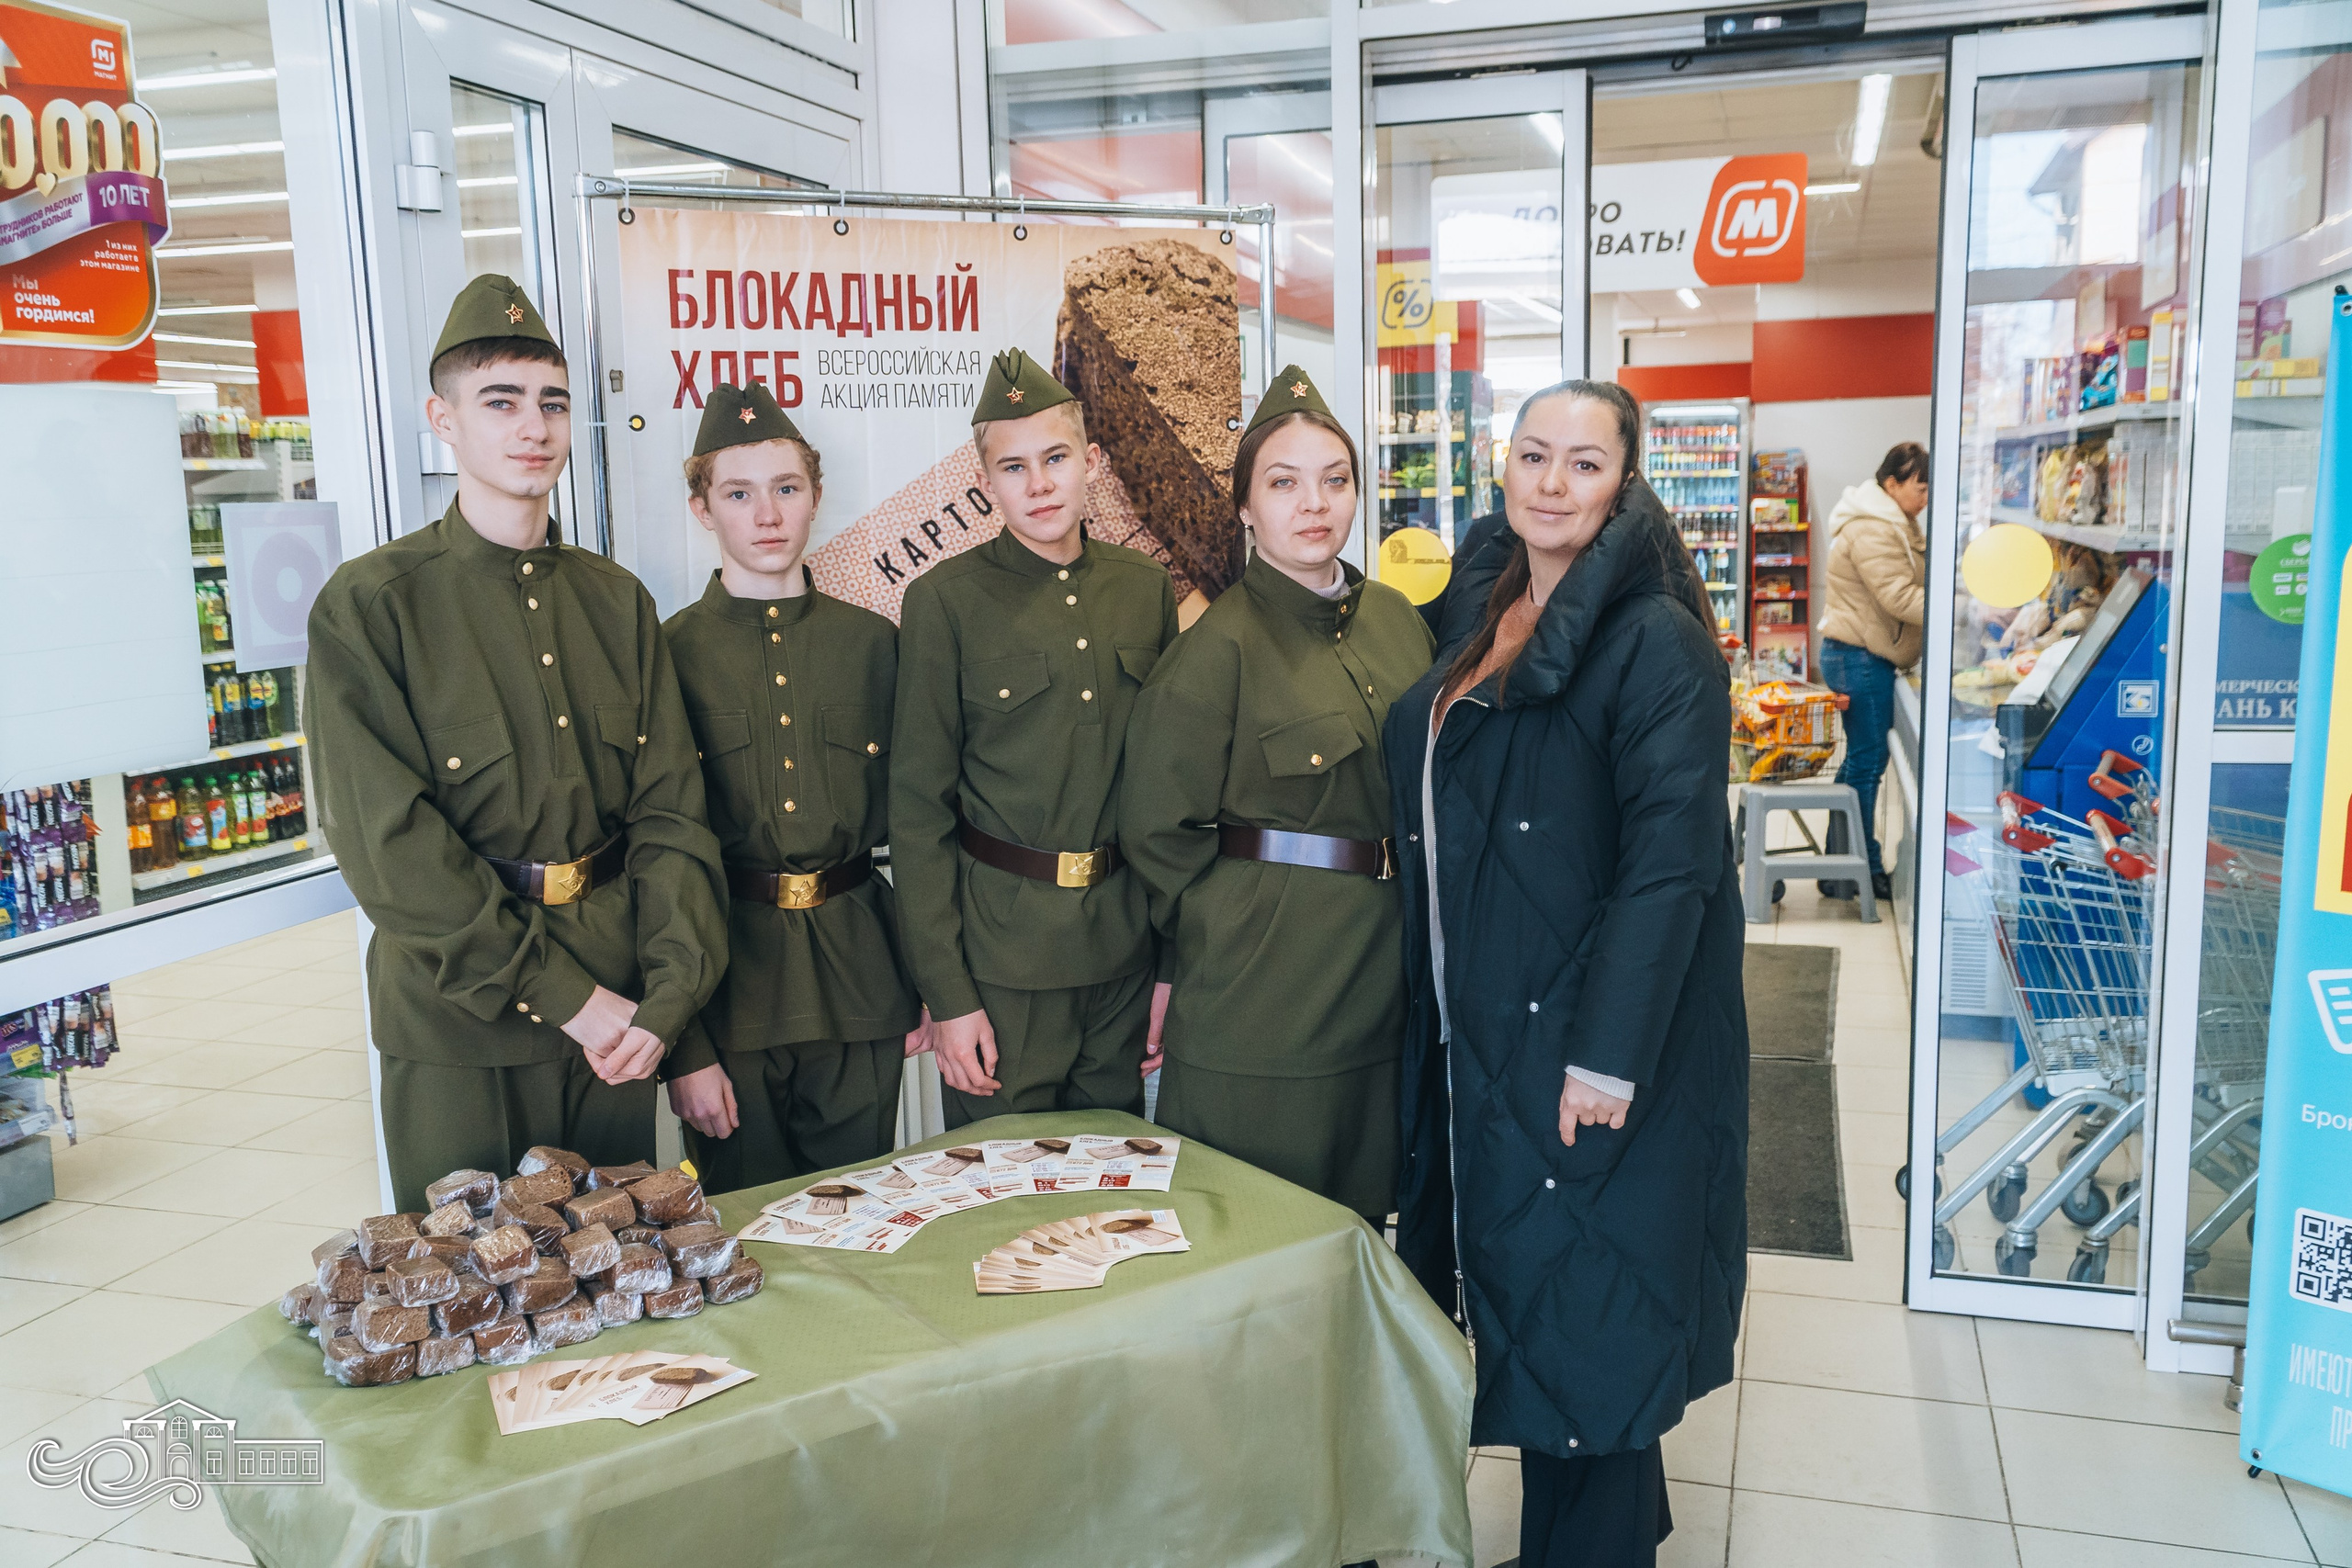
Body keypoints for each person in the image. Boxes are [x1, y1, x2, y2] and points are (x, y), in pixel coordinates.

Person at [1385, 379, 1747, 1568]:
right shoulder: (1489, 605)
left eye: (1584, 463)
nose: (1552, 482)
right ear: (1502, 466)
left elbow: (1671, 870)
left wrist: (1606, 1058)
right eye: (1533, 455)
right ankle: (1604, 1533)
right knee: (1560, 1300)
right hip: (1494, 1021)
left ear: (1625, 482)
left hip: (1582, 1038)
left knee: (1584, 1311)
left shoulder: (1656, 643)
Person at [308, 275, 728, 1212]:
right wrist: (567, 996)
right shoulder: (373, 606)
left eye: (553, 403)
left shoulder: (616, 602)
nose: (534, 427)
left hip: (617, 1026)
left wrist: (667, 999)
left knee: (615, 1268)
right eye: (500, 401)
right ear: (443, 419)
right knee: (467, 1280)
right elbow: (390, 846)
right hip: (460, 1025)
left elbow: (671, 818)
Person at [1121, 367, 1434, 1220]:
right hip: (1267, 996)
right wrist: (1240, 927)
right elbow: (1156, 832)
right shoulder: (1214, 652)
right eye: (1285, 483)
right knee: (1260, 1224)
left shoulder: (1398, 623)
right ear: (1246, 507)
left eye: (1336, 480)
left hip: (1388, 979)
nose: (1315, 504)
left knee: (1366, 1218)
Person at [891, 348, 1180, 1127]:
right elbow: (918, 815)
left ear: (1092, 462)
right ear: (984, 481)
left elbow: (1170, 794)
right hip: (1001, 964)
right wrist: (950, 996)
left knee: (1115, 1179)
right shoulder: (944, 601)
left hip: (1123, 953)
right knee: (1002, 1182)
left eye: (1056, 458)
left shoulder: (1145, 589)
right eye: (1013, 467)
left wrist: (1169, 964)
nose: (1040, 483)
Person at [658, 383, 928, 1191]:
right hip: (728, 989)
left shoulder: (874, 645)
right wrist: (684, 1046)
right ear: (703, 510)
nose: (767, 514)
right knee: (742, 1229)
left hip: (862, 978)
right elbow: (654, 858)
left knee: (860, 1217)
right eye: (738, 494)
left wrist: (926, 983)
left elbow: (922, 827)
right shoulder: (666, 656)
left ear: (815, 497)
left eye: (786, 488)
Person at [1815, 440, 1928, 902]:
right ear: (1892, 483)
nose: (1925, 498)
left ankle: (1841, 870)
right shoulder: (1873, 529)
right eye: (1921, 488)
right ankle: (1862, 869)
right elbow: (1898, 596)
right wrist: (1958, 608)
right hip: (1858, 656)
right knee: (1867, 763)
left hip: (1862, 653)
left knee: (1861, 762)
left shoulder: (1891, 522)